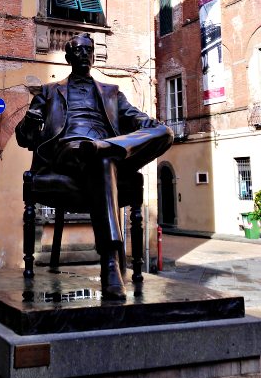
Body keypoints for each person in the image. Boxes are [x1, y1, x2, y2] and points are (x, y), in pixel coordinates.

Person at [16, 32, 173, 300]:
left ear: (93, 56)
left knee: (164, 133)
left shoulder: (112, 92)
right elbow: (24, 138)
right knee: (102, 158)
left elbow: (135, 117)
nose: (84, 55)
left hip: (104, 150)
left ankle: (106, 149)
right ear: (68, 57)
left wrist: (149, 126)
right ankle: (110, 262)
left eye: (88, 50)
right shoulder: (49, 91)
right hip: (69, 149)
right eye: (78, 50)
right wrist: (30, 120)